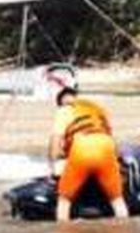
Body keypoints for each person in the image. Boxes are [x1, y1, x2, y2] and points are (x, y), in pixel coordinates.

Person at [48, 77, 130, 223]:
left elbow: (55, 140)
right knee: (117, 200)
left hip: (82, 149)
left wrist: (53, 167)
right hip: (106, 146)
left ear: (60, 99)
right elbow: (112, 140)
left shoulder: (63, 110)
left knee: (64, 201)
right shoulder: (97, 108)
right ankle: (123, 232)